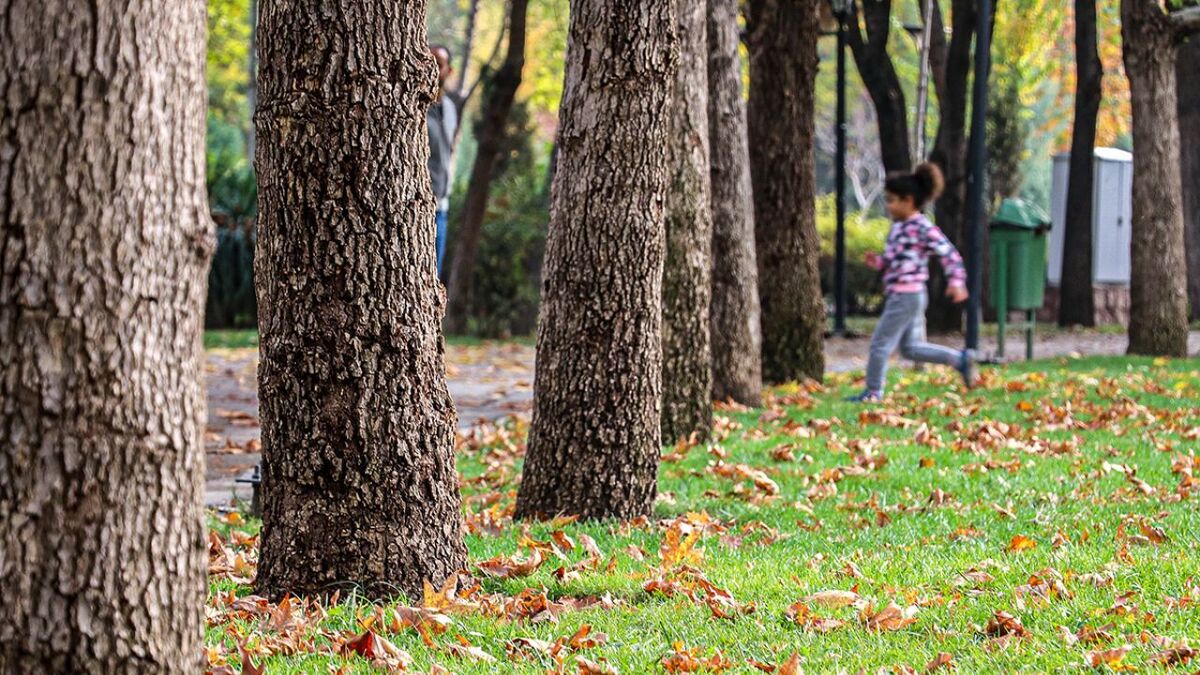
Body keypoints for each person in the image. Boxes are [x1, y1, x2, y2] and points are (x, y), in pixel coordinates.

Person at [847, 162, 978, 402]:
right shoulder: (899, 228)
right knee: (910, 349)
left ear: (908, 201)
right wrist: (879, 262)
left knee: (879, 344)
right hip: (906, 295)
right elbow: (897, 260)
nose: (888, 206)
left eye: (892, 200)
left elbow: (949, 254)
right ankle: (959, 360)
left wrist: (957, 282)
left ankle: (873, 392)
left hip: (907, 296)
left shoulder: (921, 227)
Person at [427, 44, 458, 277]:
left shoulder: (449, 109)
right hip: (419, 208)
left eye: (438, 64)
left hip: (442, 210)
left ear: (448, 71)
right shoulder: (416, 108)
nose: (431, 69)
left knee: (432, 280)